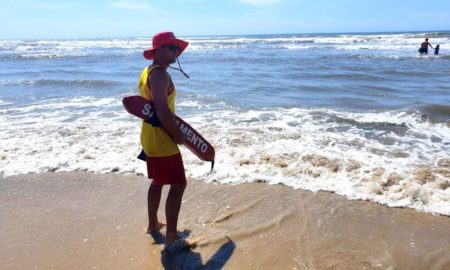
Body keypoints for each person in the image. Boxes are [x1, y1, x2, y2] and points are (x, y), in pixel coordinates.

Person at [138, 31, 191, 250]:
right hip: (162, 138)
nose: (175, 51)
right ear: (158, 50)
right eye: (171, 47)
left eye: (176, 48)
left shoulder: (147, 71)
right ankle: (170, 236)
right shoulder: (160, 75)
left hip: (150, 135)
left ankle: (153, 225)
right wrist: (177, 134)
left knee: (159, 181)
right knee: (179, 184)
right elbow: (162, 110)